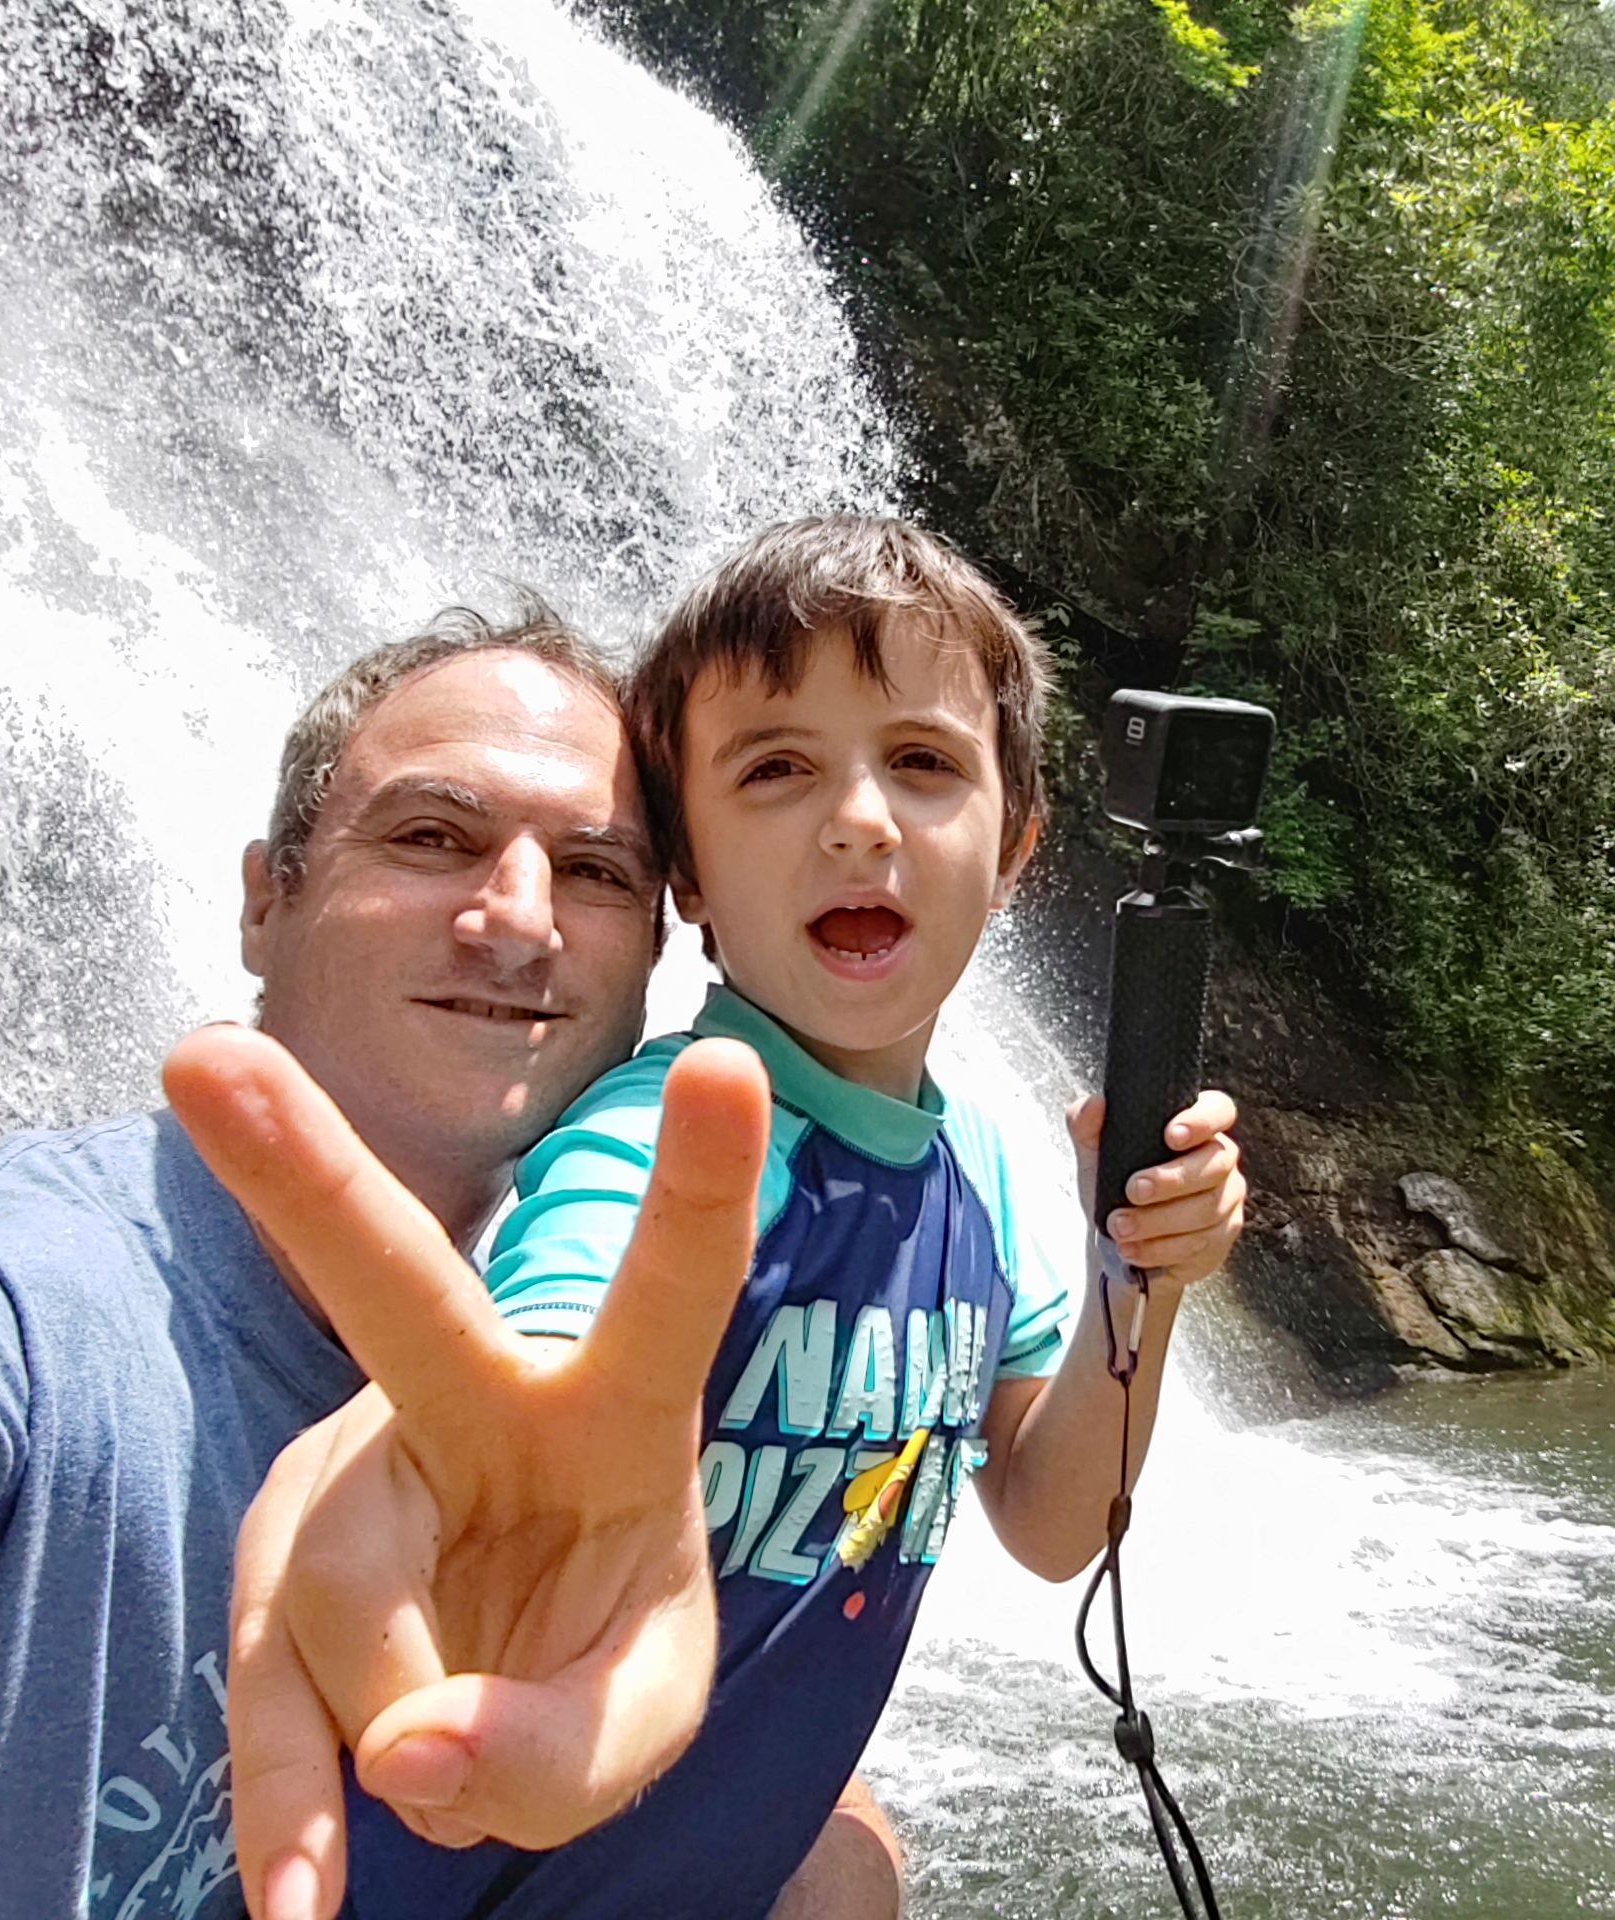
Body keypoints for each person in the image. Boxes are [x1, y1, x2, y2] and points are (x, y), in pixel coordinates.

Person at [0, 606, 829, 1917]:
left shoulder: (561, 1390)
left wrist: (825, 1857)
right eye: (434, 837)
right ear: (265, 900)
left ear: (648, 980)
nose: (517, 919)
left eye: (596, 872)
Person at [271, 518, 1249, 1920]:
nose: (859, 818)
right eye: (776, 770)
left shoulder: (974, 1167)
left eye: (921, 762)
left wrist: (1135, 1272)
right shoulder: (680, 1143)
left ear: (1015, 846)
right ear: (691, 879)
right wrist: (466, 1429)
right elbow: (542, 1345)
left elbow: (1051, 1517)